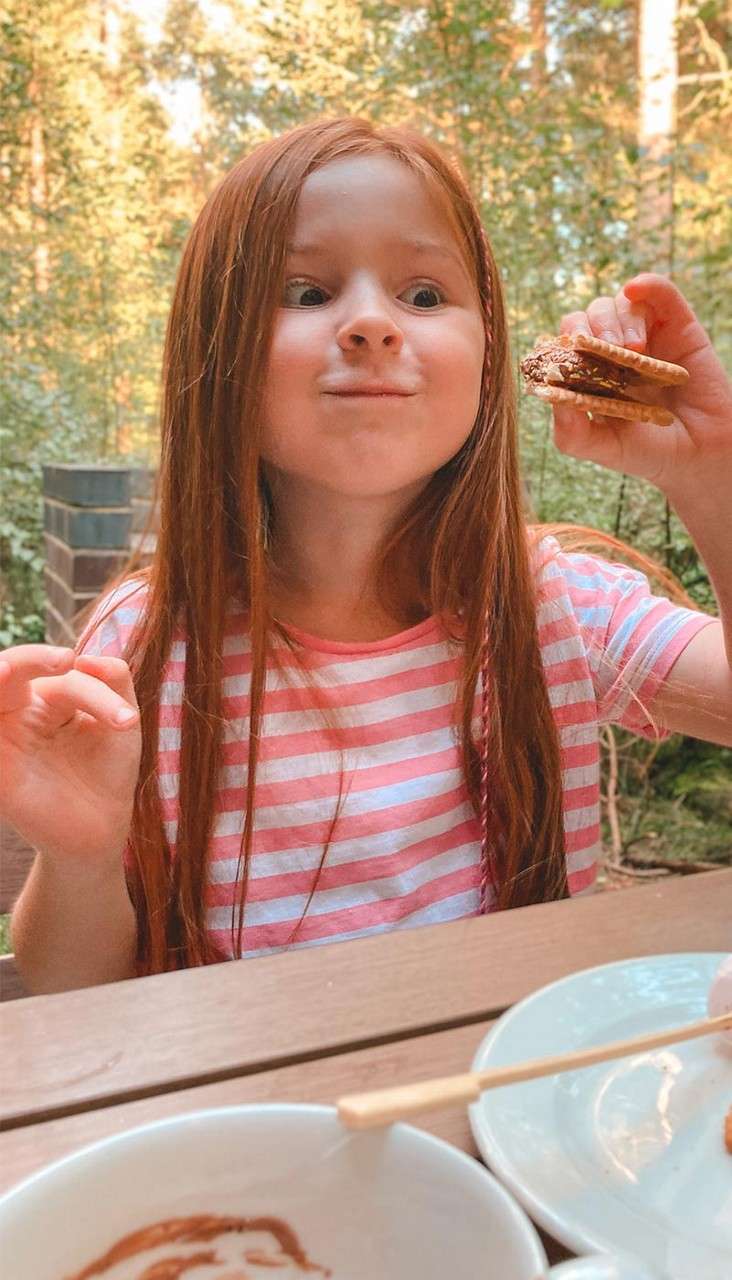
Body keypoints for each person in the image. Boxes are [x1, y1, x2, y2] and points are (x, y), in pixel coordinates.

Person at [3, 117, 731, 994]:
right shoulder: (149, 645)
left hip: (517, 1120)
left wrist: (711, 479)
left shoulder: (558, 607)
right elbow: (68, 995)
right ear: (214, 354)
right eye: (306, 293)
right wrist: (78, 856)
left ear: (491, 353)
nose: (373, 325)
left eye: (424, 295)